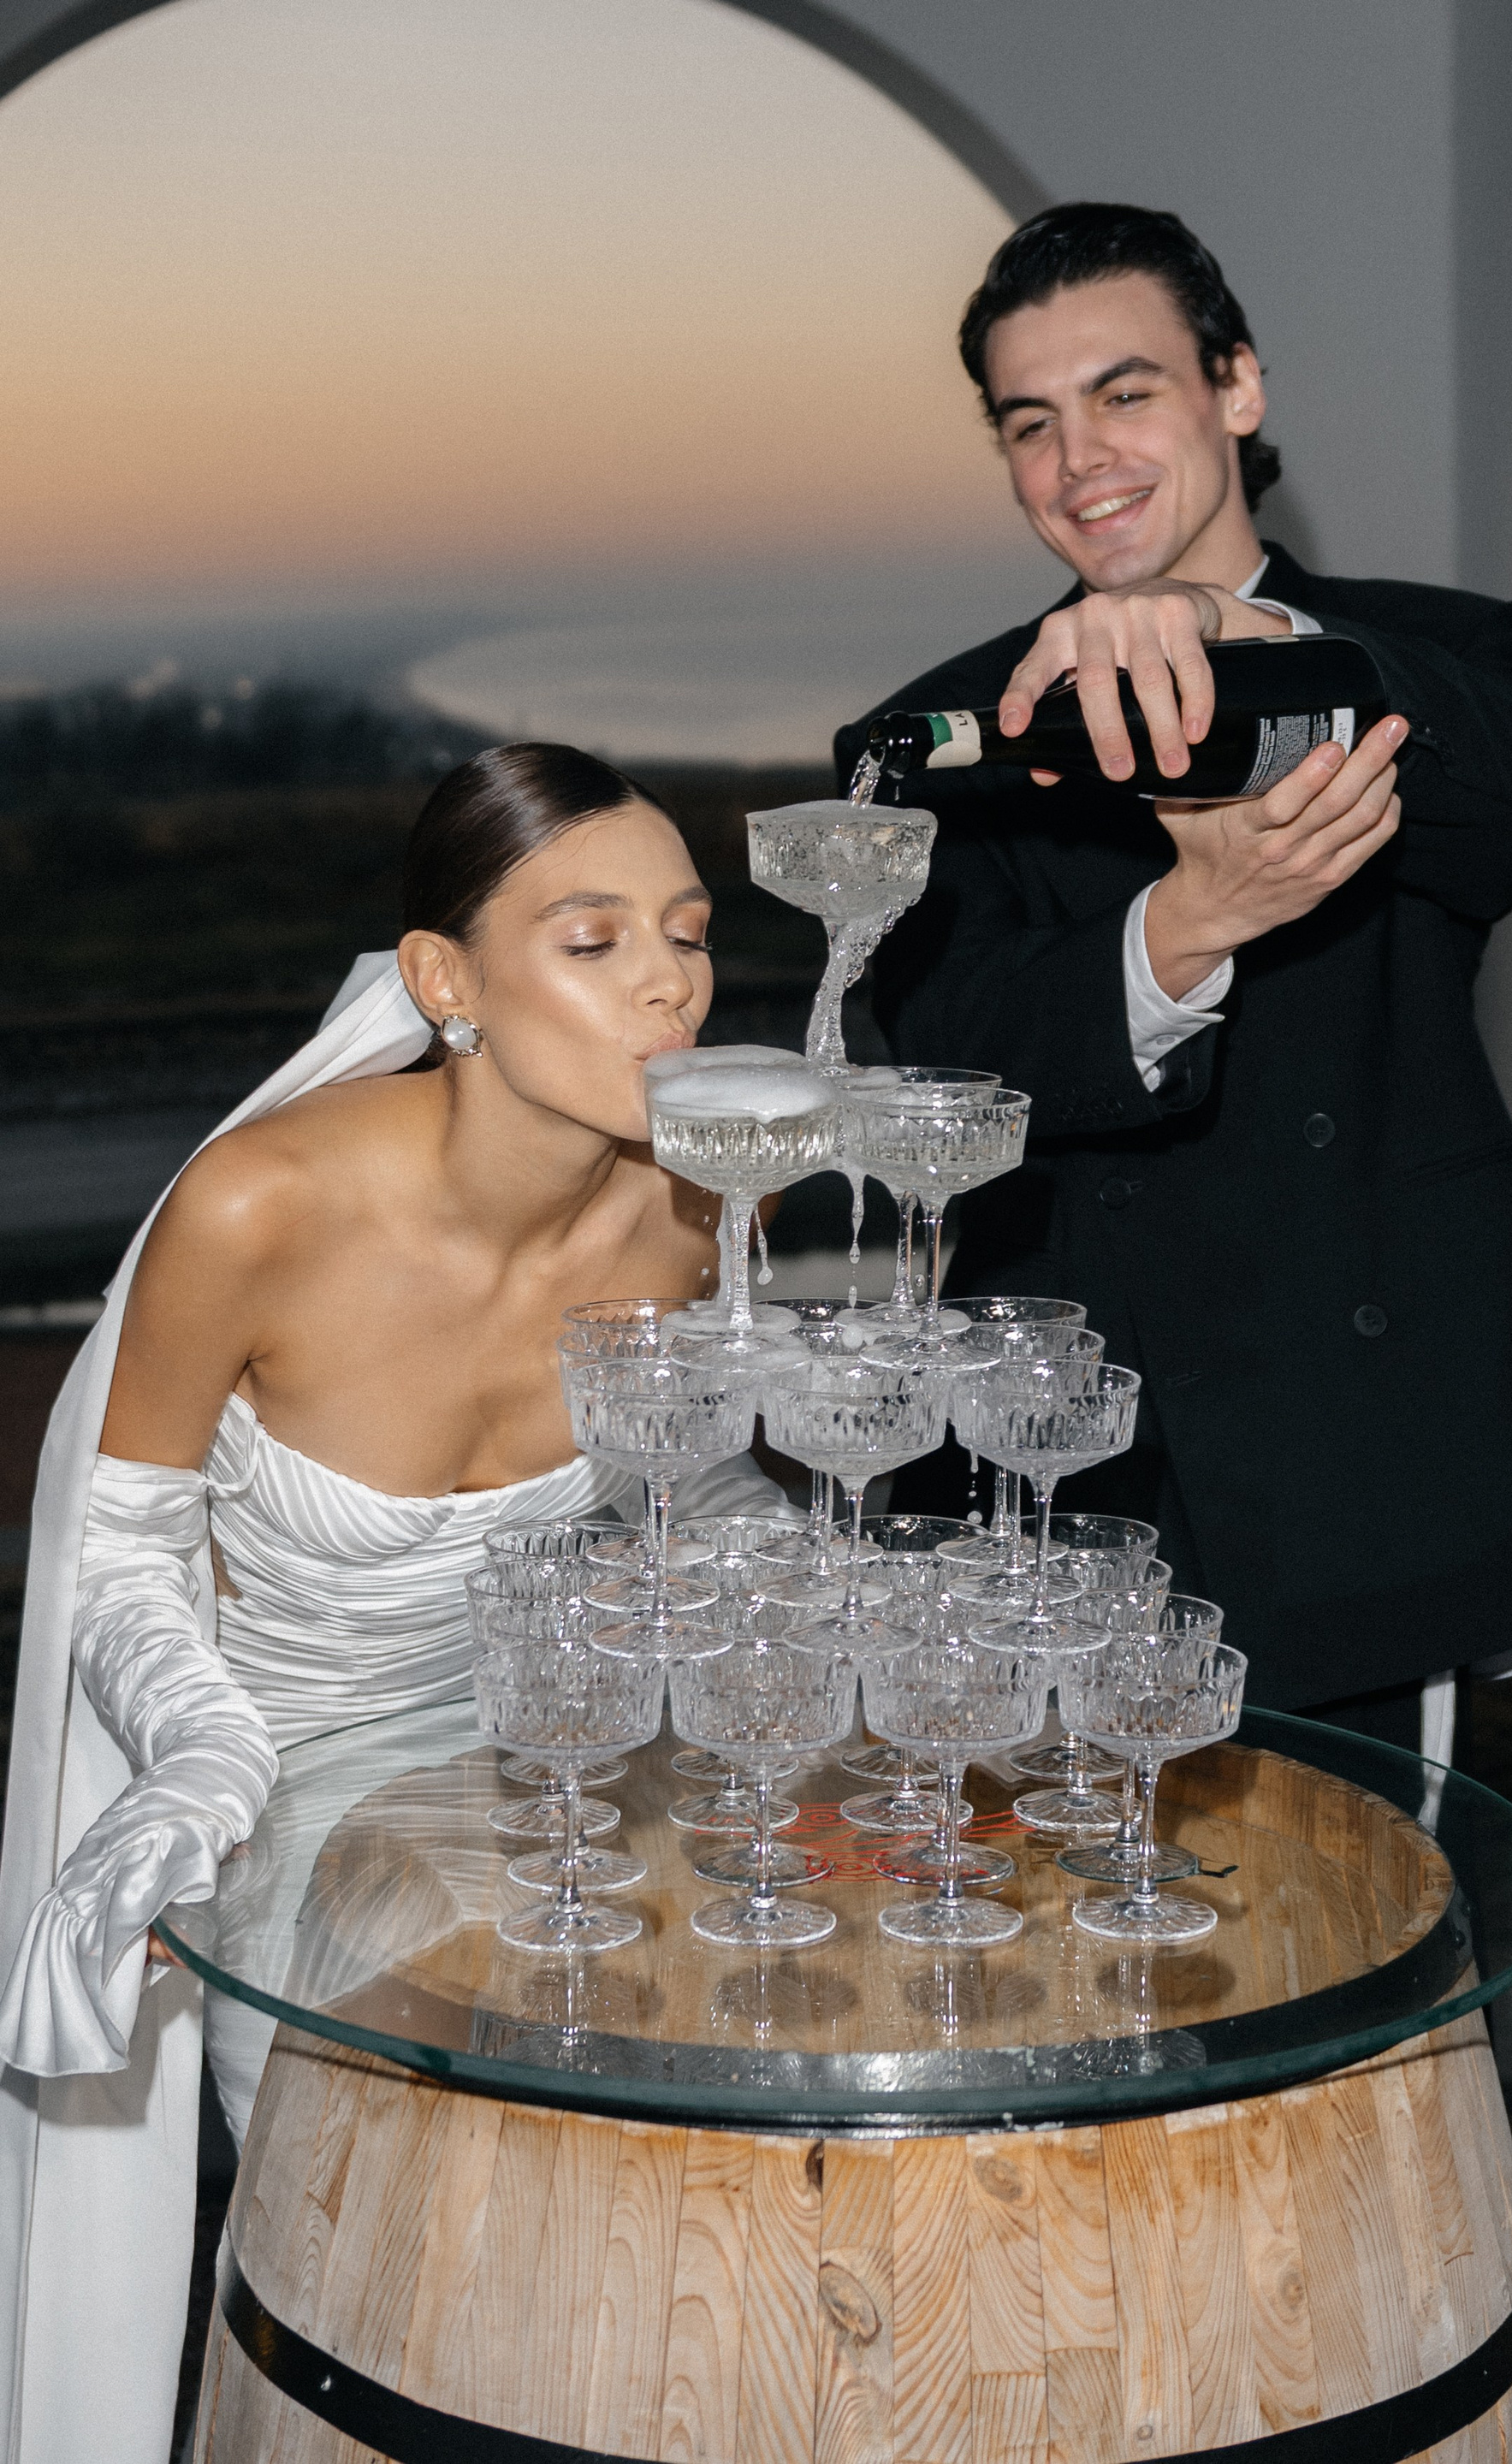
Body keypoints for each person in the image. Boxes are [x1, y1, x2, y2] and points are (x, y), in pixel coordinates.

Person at [0, 743, 793, 2464]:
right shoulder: (261, 1205)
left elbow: (694, 1488)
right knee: (388, 2268)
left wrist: (850, 1593)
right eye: (591, 940)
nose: (670, 981)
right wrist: (201, 1764)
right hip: (280, 1802)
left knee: (673, 2230)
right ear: (448, 982)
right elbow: (119, 1552)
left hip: (570, 1774)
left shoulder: (695, 1207)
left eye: (687, 931)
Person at [839, 201, 1512, 1750]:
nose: (1079, 459)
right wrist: (1187, 924)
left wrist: (1248, 637)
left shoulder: (1446, 650)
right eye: (1030, 421)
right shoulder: (947, 731)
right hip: (1073, 1441)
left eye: (1125, 392)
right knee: (1028, 1892)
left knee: (1378, 1888)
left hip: (1371, 1438)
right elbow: (948, 1057)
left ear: (1238, 387)